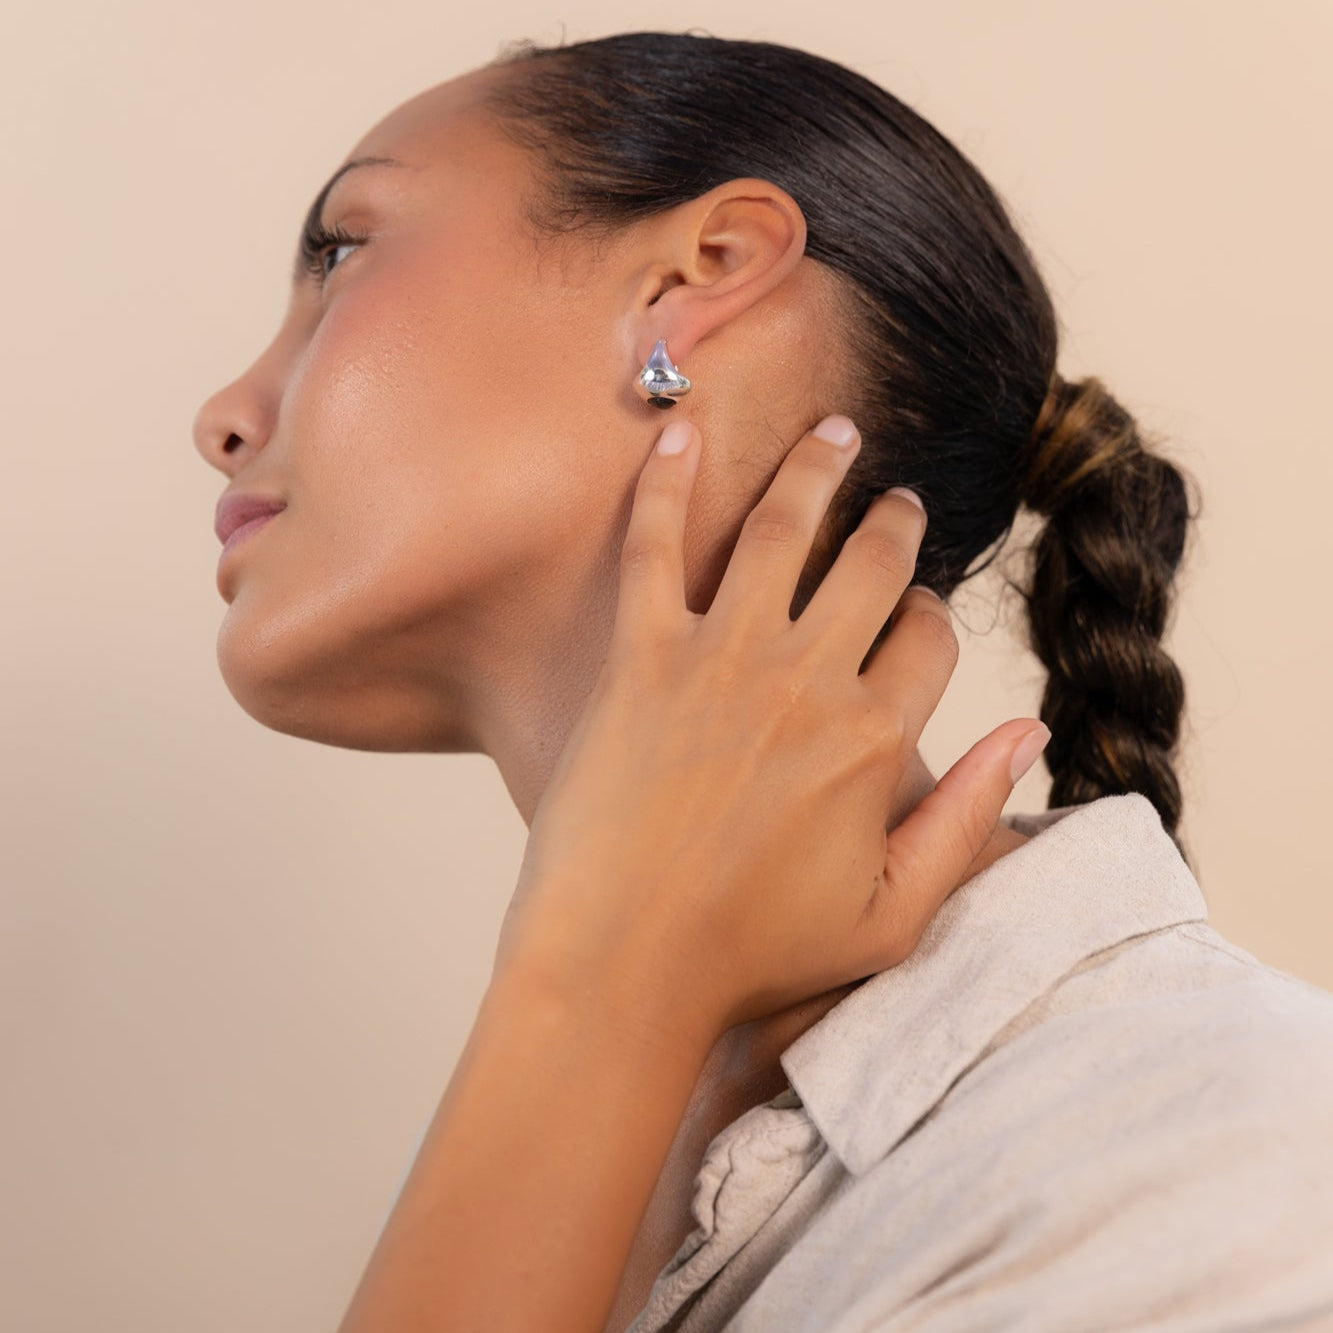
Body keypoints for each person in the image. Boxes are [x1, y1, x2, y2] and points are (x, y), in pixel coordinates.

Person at [191, 30, 1333, 1333]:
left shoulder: (1236, 1159)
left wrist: (600, 976)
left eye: (340, 250)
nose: (223, 413)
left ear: (697, 282)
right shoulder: (584, 1153)